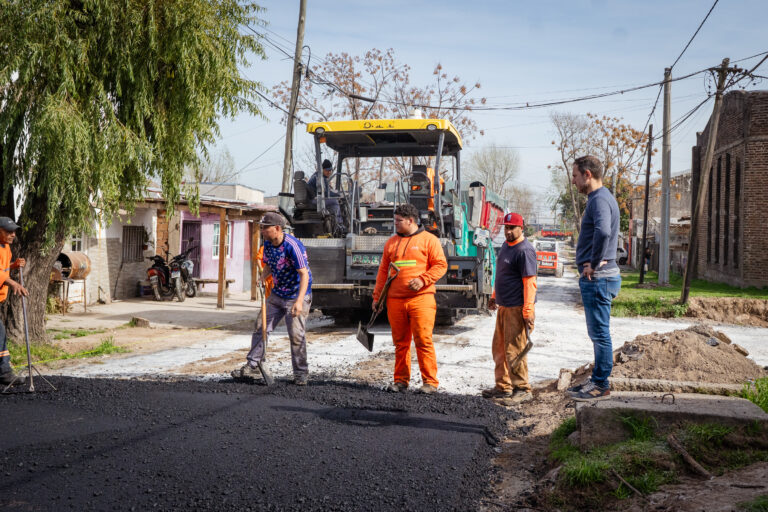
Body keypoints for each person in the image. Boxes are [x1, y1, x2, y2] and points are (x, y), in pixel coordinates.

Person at [373, 203, 447, 394]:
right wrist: (377, 298)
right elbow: (383, 272)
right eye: (395, 220)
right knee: (400, 342)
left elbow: (440, 265)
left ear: (411, 221)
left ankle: (430, 382)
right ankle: (400, 381)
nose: (395, 224)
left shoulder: (429, 240)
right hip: (395, 300)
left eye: (398, 221)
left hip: (421, 299)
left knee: (423, 340)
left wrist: (423, 280)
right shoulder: (391, 243)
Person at [231, 212, 312, 385]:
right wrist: (262, 278)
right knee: (261, 326)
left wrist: (299, 301)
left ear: (277, 228)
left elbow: (304, 275)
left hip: (296, 294)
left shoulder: (293, 246)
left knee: (296, 335)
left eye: (264, 228)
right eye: (261, 227)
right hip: (277, 293)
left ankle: (301, 373)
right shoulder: (268, 244)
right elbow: (269, 264)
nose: (262, 231)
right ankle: (252, 365)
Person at [569, 155, 621, 401]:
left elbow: (603, 231)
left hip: (598, 278)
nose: (574, 181)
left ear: (587, 175)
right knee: (598, 333)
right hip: (600, 277)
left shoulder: (599, 200)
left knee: (600, 333)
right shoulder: (601, 198)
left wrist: (592, 262)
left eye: (576, 176)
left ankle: (601, 384)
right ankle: (597, 379)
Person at [483, 212, 537, 403]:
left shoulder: (525, 250)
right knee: (499, 350)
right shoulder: (506, 246)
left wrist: (528, 310)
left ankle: (522, 388)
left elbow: (530, 282)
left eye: (511, 228)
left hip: (517, 308)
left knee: (514, 350)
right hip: (504, 307)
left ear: (521, 228)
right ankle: (503, 386)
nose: (508, 231)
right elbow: (501, 274)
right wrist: (494, 296)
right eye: (506, 227)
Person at [0, 217, 28, 386]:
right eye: (8, 231)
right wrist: (12, 282)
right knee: (0, 335)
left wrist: (13, 266)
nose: (13, 234)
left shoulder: (6, 247)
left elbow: (2, 268)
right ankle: (4, 372)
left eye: (14, 231)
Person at [306, 159, 343, 228]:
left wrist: (334, 193)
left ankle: (332, 225)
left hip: (314, 199)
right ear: (322, 169)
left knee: (334, 204)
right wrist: (338, 195)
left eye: (330, 170)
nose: (329, 172)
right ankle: (339, 224)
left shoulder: (317, 176)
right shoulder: (320, 178)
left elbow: (326, 191)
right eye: (327, 170)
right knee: (335, 202)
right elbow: (326, 193)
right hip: (314, 201)